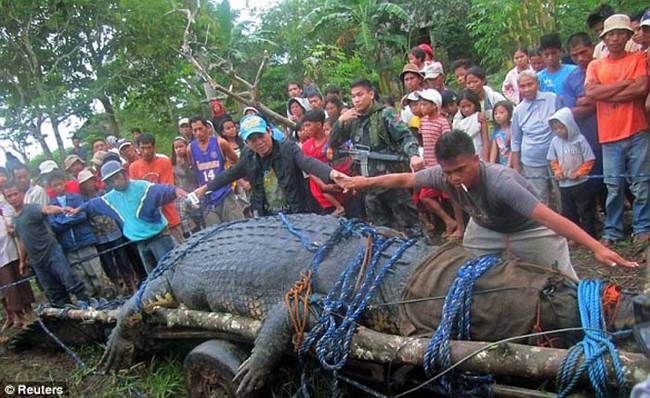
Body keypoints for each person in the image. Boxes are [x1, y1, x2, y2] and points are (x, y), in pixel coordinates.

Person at [340, 130, 639, 279]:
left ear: (476, 159)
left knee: (565, 283)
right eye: (448, 172)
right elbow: (404, 179)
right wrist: (362, 182)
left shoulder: (502, 182)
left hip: (529, 230)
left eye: (461, 170)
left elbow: (550, 218)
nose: (454, 178)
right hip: (484, 228)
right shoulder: (442, 176)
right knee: (469, 274)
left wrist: (596, 246)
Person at [193, 114, 346, 216]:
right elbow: (230, 174)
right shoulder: (248, 155)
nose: (259, 143)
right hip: (268, 216)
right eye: (253, 140)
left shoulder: (288, 148)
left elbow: (307, 162)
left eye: (261, 136)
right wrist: (205, 189)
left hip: (297, 212)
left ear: (269, 132)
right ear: (246, 143)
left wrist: (332, 174)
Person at [329, 78, 425, 238]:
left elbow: (405, 136)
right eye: (353, 96)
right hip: (368, 187)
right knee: (380, 232)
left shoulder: (385, 114)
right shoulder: (352, 119)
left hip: (392, 182)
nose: (356, 100)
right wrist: (339, 122)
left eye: (360, 95)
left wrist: (414, 155)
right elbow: (333, 143)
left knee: (411, 227)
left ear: (371, 94)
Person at [585, 14, 649, 245]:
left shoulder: (638, 58)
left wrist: (607, 92)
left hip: (637, 129)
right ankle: (613, 230)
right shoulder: (596, 64)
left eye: (620, 33)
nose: (615, 38)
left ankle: (642, 227)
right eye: (610, 34)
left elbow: (641, 88)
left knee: (641, 183)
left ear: (628, 36)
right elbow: (591, 94)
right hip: (609, 134)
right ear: (604, 37)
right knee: (613, 185)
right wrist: (624, 85)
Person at [68, 161, 187, 274]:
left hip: (159, 237)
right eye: (111, 181)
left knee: (172, 270)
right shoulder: (110, 198)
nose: (116, 183)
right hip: (140, 242)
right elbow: (93, 204)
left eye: (117, 178)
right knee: (154, 276)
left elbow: (160, 190)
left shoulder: (142, 187)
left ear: (124, 174)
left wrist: (174, 190)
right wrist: (78, 209)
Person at [4, 181, 89, 306]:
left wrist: (61, 209)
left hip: (51, 252)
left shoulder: (31, 208)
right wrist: (22, 262)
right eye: (9, 196)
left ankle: (87, 305)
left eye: (15, 194)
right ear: (6, 199)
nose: (13, 198)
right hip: (37, 261)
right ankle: (67, 315)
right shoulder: (15, 220)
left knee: (69, 279)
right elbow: (21, 240)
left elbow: (47, 209)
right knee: (52, 290)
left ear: (21, 194)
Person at [46, 171, 114, 298]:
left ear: (65, 183)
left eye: (60, 184)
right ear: (51, 187)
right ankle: (93, 304)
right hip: (68, 246)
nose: (58, 187)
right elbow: (53, 225)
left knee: (96, 273)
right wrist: (71, 216)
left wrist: (63, 220)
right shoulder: (51, 205)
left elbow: (82, 215)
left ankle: (109, 298)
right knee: (82, 277)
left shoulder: (76, 198)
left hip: (85, 241)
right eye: (55, 185)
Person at [78, 169, 139, 293]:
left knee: (123, 259)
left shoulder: (104, 193)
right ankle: (118, 288)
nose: (88, 185)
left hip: (114, 231)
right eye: (85, 183)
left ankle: (131, 285)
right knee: (108, 264)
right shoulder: (82, 201)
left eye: (89, 181)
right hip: (99, 236)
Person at [415, 89, 464, 238]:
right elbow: (423, 142)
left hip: (442, 165)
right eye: (421, 105)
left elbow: (448, 143)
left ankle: (460, 226)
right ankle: (448, 221)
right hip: (429, 165)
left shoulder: (442, 122)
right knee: (425, 197)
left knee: (452, 196)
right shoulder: (422, 122)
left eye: (425, 104)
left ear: (435, 105)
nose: (421, 108)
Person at [563, 32, 604, 208]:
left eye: (583, 52)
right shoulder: (571, 79)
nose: (580, 58)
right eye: (575, 55)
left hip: (615, 131)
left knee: (622, 180)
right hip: (588, 138)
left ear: (592, 47)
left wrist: (589, 99)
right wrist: (601, 100)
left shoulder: (606, 67)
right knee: (595, 183)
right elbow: (572, 113)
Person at [511, 70, 561, 207]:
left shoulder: (552, 99)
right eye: (522, 86)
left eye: (530, 84)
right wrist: (516, 167)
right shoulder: (518, 110)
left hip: (556, 158)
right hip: (531, 161)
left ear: (537, 83)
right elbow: (515, 140)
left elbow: (564, 125)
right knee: (540, 199)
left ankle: (568, 225)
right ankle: (546, 228)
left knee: (562, 194)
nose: (527, 89)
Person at [546, 108, 597, 238]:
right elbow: (553, 159)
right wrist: (557, 171)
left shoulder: (580, 139)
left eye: (561, 128)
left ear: (569, 125)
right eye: (555, 129)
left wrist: (581, 172)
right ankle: (574, 236)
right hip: (564, 184)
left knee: (585, 210)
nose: (559, 131)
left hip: (581, 183)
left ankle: (589, 235)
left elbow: (589, 159)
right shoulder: (555, 142)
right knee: (569, 212)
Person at [189, 117, 245, 226]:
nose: (198, 133)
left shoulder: (220, 143)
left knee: (237, 226)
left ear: (207, 128)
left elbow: (237, 162)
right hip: (206, 197)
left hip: (225, 191)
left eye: (200, 129)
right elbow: (194, 169)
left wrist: (238, 182)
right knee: (215, 231)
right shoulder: (190, 149)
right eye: (195, 130)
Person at [129, 133, 184, 243]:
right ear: (137, 149)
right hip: (150, 223)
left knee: (182, 248)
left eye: (148, 148)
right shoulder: (134, 167)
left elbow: (167, 189)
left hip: (169, 217)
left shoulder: (164, 162)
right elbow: (136, 194)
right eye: (142, 148)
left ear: (154, 147)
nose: (146, 151)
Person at [0, 175, 34, 330]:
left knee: (21, 278)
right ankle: (19, 316)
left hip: (11, 245)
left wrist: (10, 225)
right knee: (9, 286)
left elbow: (9, 213)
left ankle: (29, 310)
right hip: (1, 257)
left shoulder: (3, 200)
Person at [301, 110, 346, 216]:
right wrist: (323, 185)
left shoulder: (331, 142)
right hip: (319, 191)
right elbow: (309, 169)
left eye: (308, 125)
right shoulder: (306, 146)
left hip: (339, 185)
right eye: (304, 126)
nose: (306, 129)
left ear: (319, 124)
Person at [171, 136, 203, 236]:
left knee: (200, 217)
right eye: (176, 148)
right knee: (186, 220)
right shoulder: (172, 163)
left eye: (181, 146)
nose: (179, 149)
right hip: (182, 196)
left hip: (196, 192)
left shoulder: (194, 159)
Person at [537, 33, 577, 99]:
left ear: (560, 52)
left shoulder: (573, 72)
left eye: (554, 53)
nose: (550, 57)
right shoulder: (538, 78)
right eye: (546, 54)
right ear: (541, 54)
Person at [452, 89, 490, 160]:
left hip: (478, 153)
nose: (466, 109)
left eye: (469, 105)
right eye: (463, 107)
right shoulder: (456, 121)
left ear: (475, 104)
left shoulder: (480, 117)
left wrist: (486, 159)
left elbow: (485, 141)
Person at [489, 101, 513, 166]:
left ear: (509, 113)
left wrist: (509, 165)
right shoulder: (496, 131)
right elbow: (494, 149)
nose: (498, 116)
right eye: (495, 113)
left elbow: (512, 149)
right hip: (502, 163)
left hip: (512, 163)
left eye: (501, 113)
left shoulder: (512, 129)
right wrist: (491, 165)